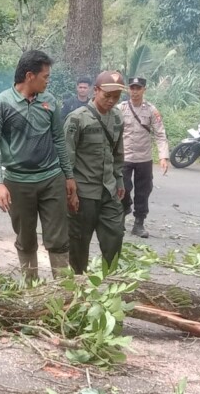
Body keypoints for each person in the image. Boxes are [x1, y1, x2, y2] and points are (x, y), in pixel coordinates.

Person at [0, 50, 75, 281]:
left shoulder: (50, 101)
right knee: (25, 239)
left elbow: (59, 140)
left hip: (51, 179)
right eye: (45, 76)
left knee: (58, 239)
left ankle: (64, 294)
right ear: (29, 76)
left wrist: (69, 176)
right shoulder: (0, 104)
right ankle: (32, 291)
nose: (48, 81)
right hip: (17, 182)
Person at [65, 71, 126, 273]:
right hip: (84, 193)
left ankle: (111, 280)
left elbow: (118, 152)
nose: (111, 101)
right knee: (79, 242)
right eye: (106, 96)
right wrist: (70, 192)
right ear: (95, 91)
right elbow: (66, 159)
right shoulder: (77, 119)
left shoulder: (117, 117)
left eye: (116, 97)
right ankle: (78, 282)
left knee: (115, 235)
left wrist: (119, 180)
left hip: (108, 190)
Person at [118, 76, 170, 238]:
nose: (134, 92)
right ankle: (123, 211)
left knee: (143, 191)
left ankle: (139, 223)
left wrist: (163, 156)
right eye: (132, 88)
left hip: (144, 158)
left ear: (144, 90)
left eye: (138, 88)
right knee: (122, 188)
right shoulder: (121, 108)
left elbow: (160, 134)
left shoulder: (151, 110)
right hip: (125, 156)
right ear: (128, 89)